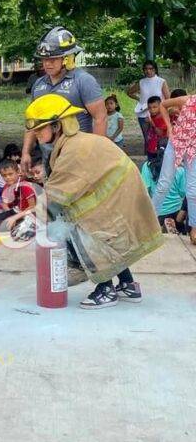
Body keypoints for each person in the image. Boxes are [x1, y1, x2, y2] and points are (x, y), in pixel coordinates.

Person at [24, 93, 163, 309]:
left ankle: (105, 288)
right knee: (102, 238)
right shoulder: (72, 143)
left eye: (40, 129)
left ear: (58, 126)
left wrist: (29, 222)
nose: (36, 135)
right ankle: (127, 283)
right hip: (121, 197)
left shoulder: (74, 150)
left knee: (80, 229)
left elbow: (56, 197)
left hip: (118, 200)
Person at [22, 26, 107, 173]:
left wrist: (95, 154)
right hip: (49, 157)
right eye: (44, 59)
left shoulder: (83, 81)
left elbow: (100, 118)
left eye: (53, 59)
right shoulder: (39, 84)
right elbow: (33, 122)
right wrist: (25, 152)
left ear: (68, 59)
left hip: (79, 156)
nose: (47, 63)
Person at [152, 91, 196, 244]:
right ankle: (150, 224)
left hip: (193, 148)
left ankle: (194, 228)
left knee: (192, 190)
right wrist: (169, 129)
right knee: (164, 184)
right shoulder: (187, 100)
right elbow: (163, 105)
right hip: (175, 144)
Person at [141, 148, 188, 234]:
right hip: (175, 212)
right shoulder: (179, 169)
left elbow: (145, 191)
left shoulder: (147, 167)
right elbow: (183, 193)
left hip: (155, 213)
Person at [127, 60, 170, 148]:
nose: (148, 71)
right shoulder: (141, 82)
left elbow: (168, 98)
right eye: (146, 69)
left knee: (160, 138)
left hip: (158, 115)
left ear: (155, 69)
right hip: (143, 114)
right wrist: (140, 100)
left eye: (151, 69)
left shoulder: (161, 81)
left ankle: (159, 158)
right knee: (148, 139)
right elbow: (129, 92)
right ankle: (149, 159)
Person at [0, 159, 37, 235]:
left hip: (27, 213)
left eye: (10, 174)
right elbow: (4, 204)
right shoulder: (6, 186)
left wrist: (15, 217)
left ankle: (24, 225)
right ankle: (17, 224)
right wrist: (9, 214)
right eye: (4, 175)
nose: (8, 177)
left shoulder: (25, 186)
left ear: (18, 172)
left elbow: (33, 207)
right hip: (14, 211)